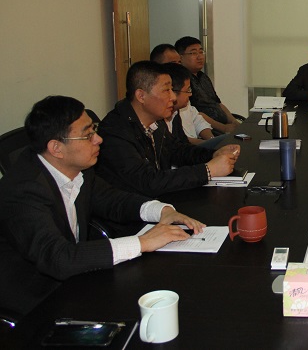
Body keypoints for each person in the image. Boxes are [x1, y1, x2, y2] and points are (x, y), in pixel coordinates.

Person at [0, 96, 205, 318]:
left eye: (94, 130)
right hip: (37, 300)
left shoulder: (78, 169)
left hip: (75, 278)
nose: (98, 139)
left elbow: (112, 199)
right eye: (87, 135)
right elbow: (57, 257)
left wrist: (162, 210)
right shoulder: (23, 190)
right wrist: (143, 242)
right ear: (56, 148)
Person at [96, 61, 240, 197]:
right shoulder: (115, 131)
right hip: (134, 209)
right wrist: (207, 170)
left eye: (172, 89)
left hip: (160, 200)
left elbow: (177, 150)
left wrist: (213, 154)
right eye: (166, 90)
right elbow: (147, 181)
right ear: (141, 96)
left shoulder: (156, 121)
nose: (173, 97)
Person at [175, 36, 240, 134]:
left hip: (223, 127)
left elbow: (218, 103)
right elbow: (196, 114)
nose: (200, 57)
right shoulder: (183, 81)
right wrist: (224, 128)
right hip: (208, 130)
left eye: (201, 52)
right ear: (180, 57)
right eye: (193, 53)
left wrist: (234, 122)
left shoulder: (203, 76)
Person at [161, 62, 228, 149]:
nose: (190, 94)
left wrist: (211, 143)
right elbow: (178, 147)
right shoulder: (159, 120)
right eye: (188, 90)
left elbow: (197, 120)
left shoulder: (175, 113)